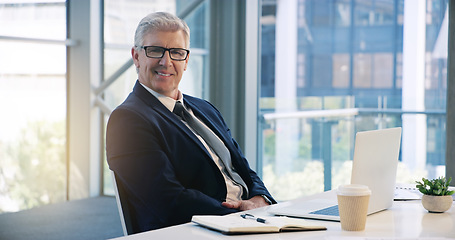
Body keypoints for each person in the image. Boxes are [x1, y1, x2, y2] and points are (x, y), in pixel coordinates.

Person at [106, 12, 276, 233]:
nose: (166, 62)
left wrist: (260, 199)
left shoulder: (205, 109)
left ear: (186, 61)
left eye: (176, 52)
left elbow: (243, 169)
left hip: (252, 220)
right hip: (201, 231)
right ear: (136, 57)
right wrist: (242, 218)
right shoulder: (127, 120)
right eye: (155, 50)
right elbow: (170, 201)